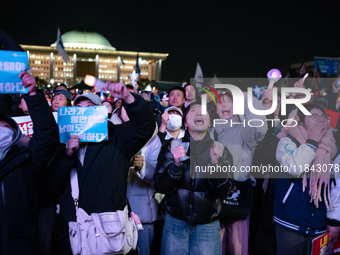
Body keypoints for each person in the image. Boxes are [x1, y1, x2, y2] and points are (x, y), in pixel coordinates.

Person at [42, 83, 155, 254]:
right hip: (74, 230)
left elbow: (145, 126)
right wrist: (67, 155)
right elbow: (51, 186)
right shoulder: (62, 141)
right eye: (78, 107)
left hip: (108, 232)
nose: (83, 112)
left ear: (101, 113)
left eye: (89, 108)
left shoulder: (117, 136)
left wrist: (129, 99)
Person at [154, 103, 234, 255]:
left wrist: (215, 165)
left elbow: (225, 190)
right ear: (185, 122)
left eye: (203, 112)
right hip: (175, 223)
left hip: (207, 226)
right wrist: (176, 165)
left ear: (210, 122)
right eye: (193, 111)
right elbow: (160, 187)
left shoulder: (220, 150)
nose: (198, 114)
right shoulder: (171, 147)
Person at [0, 71, 59, 254]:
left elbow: (46, 135)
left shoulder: (26, 158)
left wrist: (33, 95)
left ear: (15, 134)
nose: (1, 131)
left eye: (5, 127)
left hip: (21, 244)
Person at [275, 103, 340, 255]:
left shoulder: (333, 150)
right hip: (290, 220)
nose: (320, 120)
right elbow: (294, 168)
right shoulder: (288, 142)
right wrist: (312, 142)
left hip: (319, 224)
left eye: (323, 117)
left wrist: (334, 220)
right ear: (302, 121)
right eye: (314, 116)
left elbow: (336, 187)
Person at [127, 133, 162, 255]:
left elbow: (158, 173)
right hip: (113, 212)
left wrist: (143, 166)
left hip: (142, 214)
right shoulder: (113, 132)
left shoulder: (153, 139)